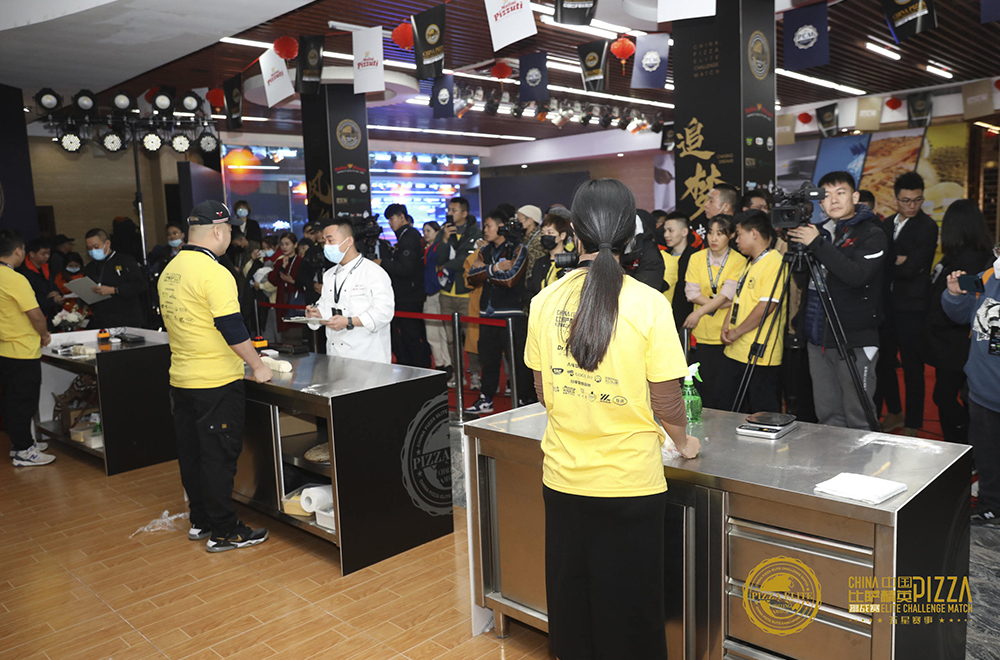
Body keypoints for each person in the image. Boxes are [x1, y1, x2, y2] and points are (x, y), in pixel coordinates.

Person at [525, 178, 699, 660]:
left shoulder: (546, 300)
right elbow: (667, 402)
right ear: (631, 235)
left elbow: (543, 391)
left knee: (573, 610)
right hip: (630, 486)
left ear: (575, 233)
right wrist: (684, 442)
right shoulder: (649, 303)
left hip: (563, 479)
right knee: (630, 618)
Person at [158, 200, 271, 551]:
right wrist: (258, 365)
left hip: (182, 379)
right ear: (218, 231)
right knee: (218, 458)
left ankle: (201, 520)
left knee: (192, 454)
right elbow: (231, 327)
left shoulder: (171, 269)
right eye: (230, 232)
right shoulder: (215, 272)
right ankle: (225, 531)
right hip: (215, 382)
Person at [787, 171, 886, 429]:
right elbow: (804, 281)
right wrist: (799, 249)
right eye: (827, 196)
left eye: (840, 193)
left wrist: (817, 244)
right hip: (817, 336)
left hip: (854, 337)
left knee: (859, 415)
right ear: (820, 203)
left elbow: (856, 276)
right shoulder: (818, 232)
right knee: (827, 415)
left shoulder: (873, 233)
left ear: (855, 196)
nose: (833, 200)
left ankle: (864, 457)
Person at [874, 172, 938, 435]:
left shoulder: (927, 226)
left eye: (917, 200)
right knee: (885, 363)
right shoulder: (887, 223)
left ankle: (913, 423)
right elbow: (878, 262)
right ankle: (894, 412)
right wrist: (896, 259)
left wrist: (892, 261)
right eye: (906, 201)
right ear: (896, 199)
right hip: (886, 305)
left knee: (912, 366)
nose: (912, 206)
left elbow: (912, 268)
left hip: (912, 307)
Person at [927, 200, 994, 444]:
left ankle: (962, 445)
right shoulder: (970, 256)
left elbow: (967, 307)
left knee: (948, 396)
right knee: (960, 397)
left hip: (956, 343)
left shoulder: (969, 260)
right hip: (955, 342)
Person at [942, 247, 1000, 524]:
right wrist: (954, 294)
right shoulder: (986, 277)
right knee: (986, 454)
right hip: (982, 390)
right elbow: (962, 314)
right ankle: (991, 504)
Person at [717, 210, 788, 413]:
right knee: (727, 406)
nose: (736, 240)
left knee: (762, 413)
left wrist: (736, 332)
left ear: (754, 233)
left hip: (760, 353)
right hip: (736, 349)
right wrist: (726, 326)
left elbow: (766, 306)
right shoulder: (751, 262)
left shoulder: (774, 261)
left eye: (739, 234)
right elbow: (739, 299)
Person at [0, 230, 56, 467]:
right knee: (24, 402)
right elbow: (35, 314)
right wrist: (44, 334)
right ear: (18, 251)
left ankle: (21, 444)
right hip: (22, 349)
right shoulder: (15, 279)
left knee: (12, 400)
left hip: (4, 349)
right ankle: (24, 450)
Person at [464, 210, 529, 414]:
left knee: (518, 362)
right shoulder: (485, 250)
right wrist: (495, 268)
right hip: (487, 315)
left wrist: (485, 270)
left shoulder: (518, 248)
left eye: (488, 226)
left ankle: (523, 400)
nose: (485, 230)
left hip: (511, 315)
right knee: (488, 361)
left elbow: (511, 279)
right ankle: (486, 398)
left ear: (501, 227)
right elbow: (471, 278)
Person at [305, 219, 395, 363]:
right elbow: (325, 306)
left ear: (349, 241)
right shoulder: (329, 275)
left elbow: (384, 312)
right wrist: (316, 314)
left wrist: (349, 321)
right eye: (324, 241)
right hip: (335, 354)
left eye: (330, 240)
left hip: (367, 356)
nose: (326, 246)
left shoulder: (373, 272)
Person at [683, 214, 747, 409]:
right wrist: (719, 304)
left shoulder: (738, 261)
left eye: (720, 234)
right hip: (701, 333)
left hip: (726, 333)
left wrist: (699, 312)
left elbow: (730, 294)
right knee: (702, 387)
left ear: (731, 235)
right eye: (710, 233)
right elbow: (691, 293)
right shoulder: (696, 258)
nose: (714, 238)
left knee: (724, 391)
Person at [437, 197, 483, 388]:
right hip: (446, 293)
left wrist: (446, 265)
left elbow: (466, 261)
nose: (449, 213)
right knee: (451, 339)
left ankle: (475, 375)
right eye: (449, 209)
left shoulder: (476, 233)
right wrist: (444, 239)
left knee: (471, 339)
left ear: (464, 213)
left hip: (467, 294)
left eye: (454, 210)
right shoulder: (445, 231)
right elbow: (437, 258)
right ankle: (458, 374)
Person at [378, 204, 430, 368]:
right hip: (411, 292)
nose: (390, 223)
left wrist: (383, 262)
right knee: (412, 334)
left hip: (409, 294)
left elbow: (406, 268)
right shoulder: (408, 235)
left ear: (402, 217)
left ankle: (417, 368)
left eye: (392, 218)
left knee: (411, 335)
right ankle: (417, 366)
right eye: (388, 220)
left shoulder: (407, 237)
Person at [83, 228, 146, 328]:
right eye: (89, 248)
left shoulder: (126, 261)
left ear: (107, 243)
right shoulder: (90, 267)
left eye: (96, 247)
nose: (93, 251)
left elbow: (139, 285)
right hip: (101, 319)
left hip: (127, 319)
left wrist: (113, 290)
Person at [662, 212, 699, 333]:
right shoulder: (661, 257)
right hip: (664, 318)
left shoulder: (696, 257)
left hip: (688, 319)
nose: (666, 235)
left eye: (671, 230)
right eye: (665, 231)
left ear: (684, 232)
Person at [422, 221, 451, 372]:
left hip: (440, 292)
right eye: (424, 231)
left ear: (437, 231)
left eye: (429, 230)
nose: (425, 234)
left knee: (443, 332)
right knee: (432, 333)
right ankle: (439, 363)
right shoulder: (426, 250)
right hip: (429, 293)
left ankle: (447, 364)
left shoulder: (441, 248)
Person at [526, 213, 574, 299]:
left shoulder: (570, 261)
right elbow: (532, 289)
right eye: (543, 233)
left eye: (550, 232)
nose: (545, 236)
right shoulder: (540, 262)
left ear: (562, 235)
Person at [267, 231, 305, 340]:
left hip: (295, 299)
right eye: (282, 244)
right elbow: (273, 280)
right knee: (283, 332)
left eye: (287, 244)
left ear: (295, 245)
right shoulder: (280, 261)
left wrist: (292, 281)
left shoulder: (300, 261)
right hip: (282, 299)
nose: (284, 247)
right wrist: (282, 267)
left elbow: (305, 282)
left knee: (294, 333)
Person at [17, 238, 63, 326]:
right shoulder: (23, 272)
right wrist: (52, 301)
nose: (47, 256)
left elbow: (53, 285)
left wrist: (57, 293)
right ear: (32, 254)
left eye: (48, 253)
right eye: (43, 254)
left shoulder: (47, 267)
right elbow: (28, 299)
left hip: (50, 314)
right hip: (34, 317)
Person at [701, 182, 741, 247]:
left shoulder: (739, 232)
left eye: (711, 201)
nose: (706, 205)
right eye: (711, 233)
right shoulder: (707, 224)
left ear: (726, 207)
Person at [516, 204, 546, 286]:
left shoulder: (538, 240)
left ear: (530, 220)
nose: (517, 223)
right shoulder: (525, 237)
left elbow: (533, 266)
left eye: (519, 220)